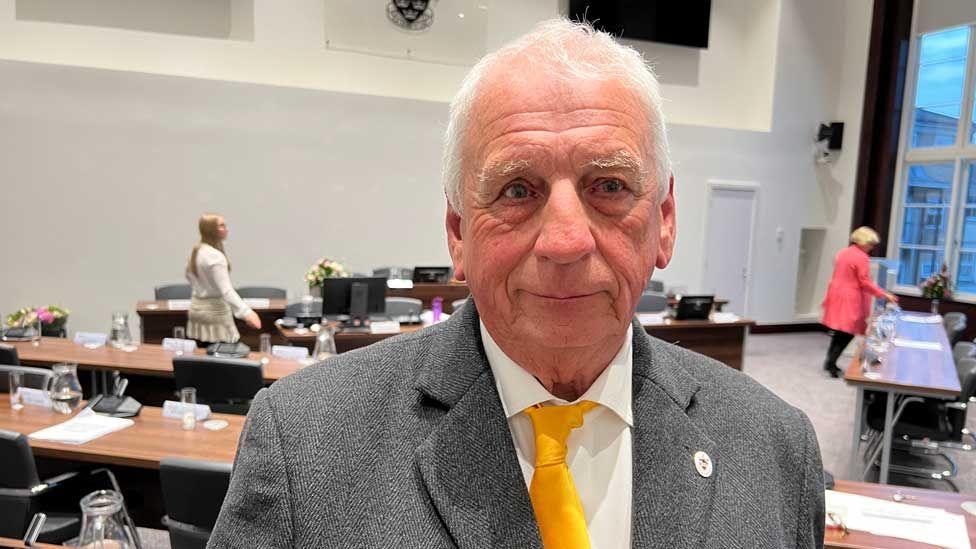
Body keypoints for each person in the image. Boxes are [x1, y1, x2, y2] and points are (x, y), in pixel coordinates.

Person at [210, 20, 824, 548]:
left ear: (664, 221)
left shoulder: (775, 448)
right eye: (517, 190)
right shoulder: (303, 444)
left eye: (608, 186)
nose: (565, 242)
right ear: (458, 231)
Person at [821, 226, 898, 377]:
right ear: (863, 242)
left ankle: (830, 361)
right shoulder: (861, 257)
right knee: (847, 332)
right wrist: (883, 294)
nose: (872, 247)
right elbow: (865, 282)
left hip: (836, 294)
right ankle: (831, 364)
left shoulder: (843, 253)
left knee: (839, 331)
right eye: (870, 244)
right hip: (850, 297)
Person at [185, 213, 260, 343]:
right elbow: (226, 291)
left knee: (201, 355)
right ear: (210, 229)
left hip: (197, 309)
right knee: (224, 356)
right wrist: (247, 312)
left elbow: (189, 276)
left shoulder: (197, 251)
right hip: (215, 314)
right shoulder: (215, 257)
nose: (226, 229)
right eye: (221, 225)